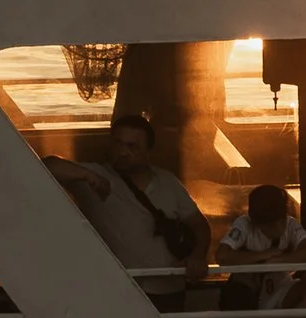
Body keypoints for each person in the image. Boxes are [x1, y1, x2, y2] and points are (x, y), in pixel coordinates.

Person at [59, 113, 204, 306]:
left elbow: (199, 225)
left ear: (148, 150)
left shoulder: (168, 182)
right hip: (118, 292)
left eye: (132, 146)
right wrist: (85, 175)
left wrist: (197, 256)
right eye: (118, 144)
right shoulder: (96, 178)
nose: (123, 152)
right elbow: (45, 165)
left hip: (169, 289)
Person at [215, 181, 306, 318]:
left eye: (277, 222)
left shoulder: (291, 226)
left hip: (280, 291)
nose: (274, 228)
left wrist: (279, 261)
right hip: (253, 300)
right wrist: (264, 255)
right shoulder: (244, 225)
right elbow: (223, 255)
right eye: (266, 225)